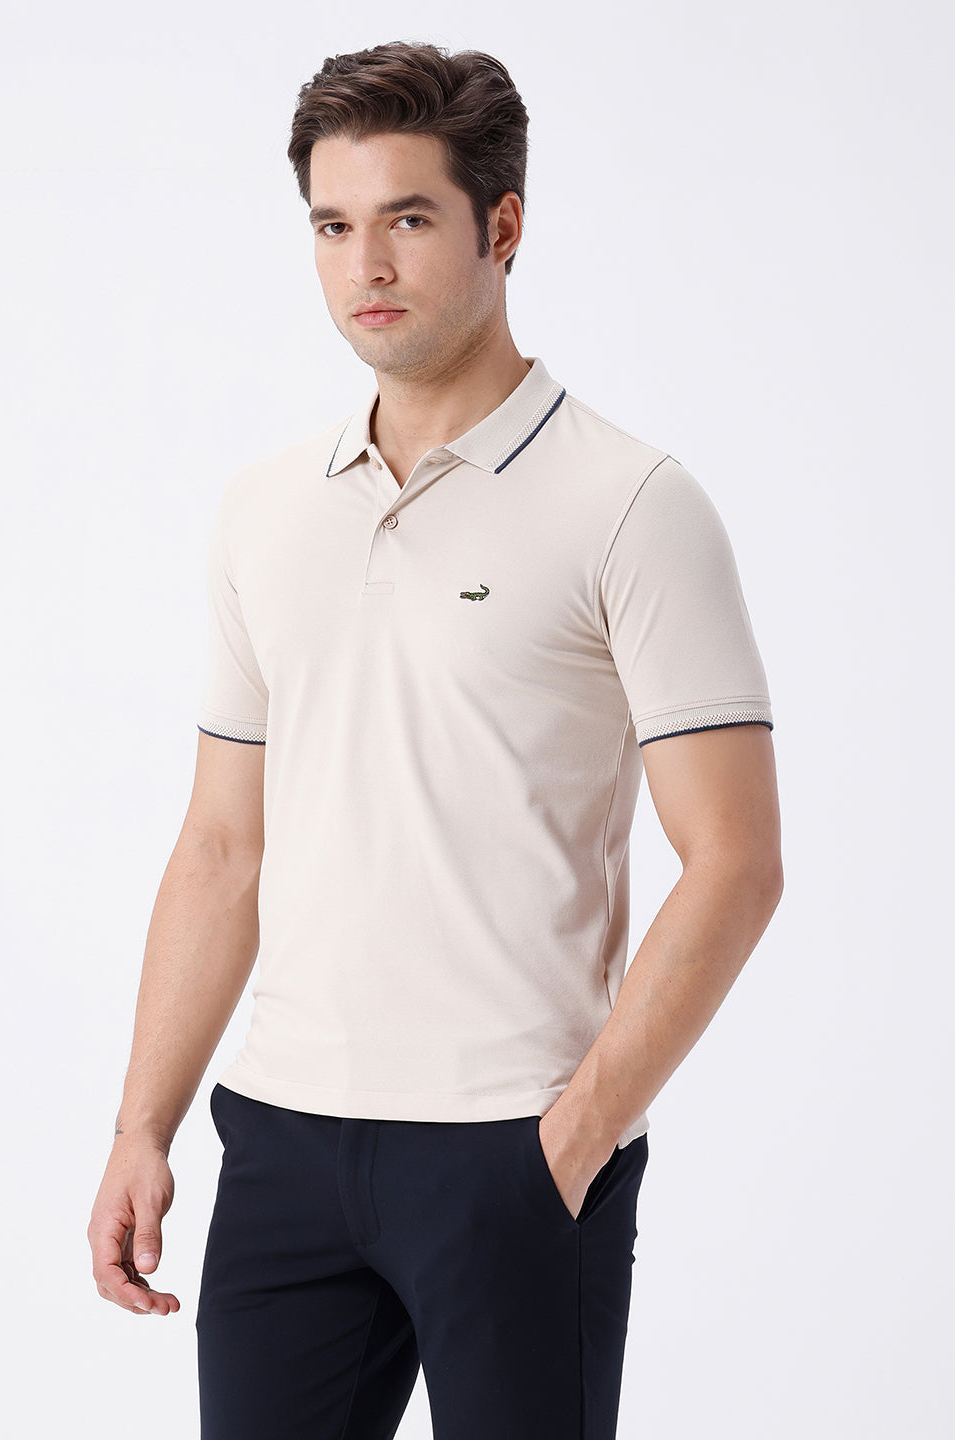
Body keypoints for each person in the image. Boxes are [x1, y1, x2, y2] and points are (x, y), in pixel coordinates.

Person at [87, 39, 783, 1440]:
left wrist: (573, 1139)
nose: (366, 266)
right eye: (333, 226)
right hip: (282, 1143)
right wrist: (142, 1125)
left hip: (512, 1149)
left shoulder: (631, 503)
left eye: (408, 217)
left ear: (501, 225)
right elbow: (222, 845)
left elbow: (736, 860)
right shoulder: (265, 509)